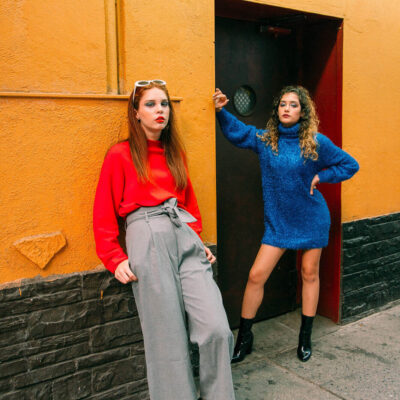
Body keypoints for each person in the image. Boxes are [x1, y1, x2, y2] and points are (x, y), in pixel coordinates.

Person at [93, 80, 235, 400]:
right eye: (150, 104)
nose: (160, 110)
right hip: (147, 236)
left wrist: (197, 240)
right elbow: (103, 211)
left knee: (216, 329)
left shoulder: (174, 153)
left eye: (164, 104)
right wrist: (113, 257)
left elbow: (189, 203)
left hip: (183, 235)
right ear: (136, 112)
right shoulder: (120, 154)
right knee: (167, 339)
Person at [213, 85, 359, 363]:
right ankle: (245, 337)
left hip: (311, 217)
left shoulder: (316, 142)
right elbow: (238, 132)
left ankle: (304, 337)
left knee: (309, 273)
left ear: (303, 112)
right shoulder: (266, 140)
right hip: (278, 223)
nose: (286, 108)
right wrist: (221, 111)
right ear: (277, 109)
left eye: (293, 105)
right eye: (282, 104)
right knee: (256, 276)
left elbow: (350, 165)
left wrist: (322, 177)